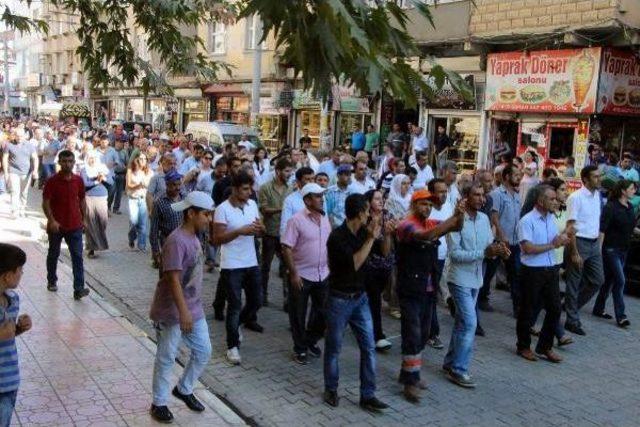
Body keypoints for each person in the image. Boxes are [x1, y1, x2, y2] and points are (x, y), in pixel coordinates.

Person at [149, 191, 214, 424]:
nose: (209, 219)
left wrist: (190, 309)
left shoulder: (195, 236)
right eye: (206, 214)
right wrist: (183, 311)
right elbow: (172, 279)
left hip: (192, 309)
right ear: (191, 213)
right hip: (172, 310)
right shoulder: (176, 241)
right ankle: (159, 402)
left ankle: (184, 389)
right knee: (167, 356)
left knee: (204, 350)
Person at [395, 188, 463, 402]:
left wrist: (458, 215)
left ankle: (409, 373)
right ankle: (410, 382)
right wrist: (452, 219)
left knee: (423, 335)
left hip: (428, 289)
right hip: (410, 289)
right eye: (423, 204)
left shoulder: (430, 223)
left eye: (430, 204)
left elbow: (456, 227)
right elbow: (427, 236)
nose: (428, 207)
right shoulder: (407, 225)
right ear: (414, 205)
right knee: (413, 335)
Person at [323, 194, 389, 412]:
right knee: (334, 348)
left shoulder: (364, 232)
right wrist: (371, 238)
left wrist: (384, 232)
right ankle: (331, 388)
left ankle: (368, 395)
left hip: (360, 298)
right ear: (360, 213)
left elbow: (385, 252)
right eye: (367, 211)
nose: (369, 214)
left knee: (369, 347)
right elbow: (355, 263)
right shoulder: (337, 237)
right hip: (339, 299)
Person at [444, 184, 508, 388]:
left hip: (476, 279)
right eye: (476, 195)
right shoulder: (456, 220)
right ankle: (459, 369)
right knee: (470, 323)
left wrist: (499, 250)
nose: (481, 199)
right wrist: (484, 254)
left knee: (462, 323)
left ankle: (450, 362)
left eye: (483, 195)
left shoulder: (483, 219)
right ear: (466, 197)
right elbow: (454, 254)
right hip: (459, 279)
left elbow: (488, 244)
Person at [212, 172, 265, 365]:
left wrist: (260, 229)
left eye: (250, 188)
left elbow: (260, 230)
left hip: (251, 262)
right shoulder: (222, 209)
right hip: (232, 265)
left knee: (257, 301)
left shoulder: (252, 205)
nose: (249, 192)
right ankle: (232, 346)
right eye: (245, 189)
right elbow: (217, 239)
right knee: (234, 306)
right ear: (234, 189)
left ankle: (237, 326)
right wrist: (239, 232)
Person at [516, 185, 568, 364]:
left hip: (550, 268)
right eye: (551, 199)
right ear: (540, 201)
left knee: (555, 308)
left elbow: (554, 242)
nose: (556, 202)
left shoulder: (550, 219)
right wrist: (553, 245)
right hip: (532, 271)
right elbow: (528, 248)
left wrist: (562, 239)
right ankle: (523, 346)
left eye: (556, 199)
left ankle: (544, 346)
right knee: (528, 310)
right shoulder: (527, 220)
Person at [281, 183, 331, 364]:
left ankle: (310, 340)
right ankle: (300, 348)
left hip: (323, 274)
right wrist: (293, 273)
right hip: (301, 274)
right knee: (298, 313)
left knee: (323, 312)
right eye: (317, 196)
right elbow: (286, 247)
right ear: (307, 200)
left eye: (321, 196)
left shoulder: (325, 218)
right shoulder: (296, 220)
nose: (321, 199)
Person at [42, 150, 90, 300]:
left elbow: (82, 200)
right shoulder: (52, 181)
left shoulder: (78, 180)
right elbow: (45, 203)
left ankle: (79, 288)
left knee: (77, 257)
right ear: (59, 162)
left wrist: (85, 219)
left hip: (75, 225)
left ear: (74, 162)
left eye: (70, 161)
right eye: (64, 161)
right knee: (53, 254)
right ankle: (51, 280)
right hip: (57, 226)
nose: (67, 164)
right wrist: (51, 220)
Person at [564, 165, 604, 336]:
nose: (599, 179)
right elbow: (570, 226)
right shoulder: (576, 197)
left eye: (599, 176)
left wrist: (599, 246)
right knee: (574, 281)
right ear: (585, 179)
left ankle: (570, 307)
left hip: (594, 243)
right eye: (595, 177)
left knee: (597, 280)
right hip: (579, 242)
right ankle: (572, 320)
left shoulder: (598, 196)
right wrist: (573, 252)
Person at [592, 179, 637, 328]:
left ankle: (598, 308)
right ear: (623, 191)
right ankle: (621, 316)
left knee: (609, 280)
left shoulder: (630, 207)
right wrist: (599, 249)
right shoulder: (611, 207)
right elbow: (602, 229)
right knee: (620, 281)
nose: (634, 191)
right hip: (611, 249)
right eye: (631, 189)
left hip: (624, 249)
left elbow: (631, 228)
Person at [0, 243, 32, 426]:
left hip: (9, 380)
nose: (22, 273)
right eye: (20, 269)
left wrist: (18, 328)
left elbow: (7, 335)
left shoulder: (12, 299)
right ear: (7, 275)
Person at [485, 165, 523, 315]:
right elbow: (494, 216)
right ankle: (482, 298)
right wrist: (501, 235)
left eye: (519, 175)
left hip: (514, 242)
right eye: (516, 175)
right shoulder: (497, 194)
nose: (519, 177)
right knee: (489, 271)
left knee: (516, 274)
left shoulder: (516, 195)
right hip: (499, 241)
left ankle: (518, 307)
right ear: (507, 176)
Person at [361, 190, 395, 352]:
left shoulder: (388, 216)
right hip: (368, 266)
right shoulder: (363, 218)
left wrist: (388, 234)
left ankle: (364, 325)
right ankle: (378, 335)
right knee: (374, 300)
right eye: (376, 199)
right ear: (368, 202)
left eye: (382, 199)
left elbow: (386, 251)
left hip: (385, 266)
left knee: (370, 300)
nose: (381, 201)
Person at [258, 158, 293, 306]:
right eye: (286, 171)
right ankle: (262, 295)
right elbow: (264, 209)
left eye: (290, 171)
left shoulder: (290, 189)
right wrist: (283, 209)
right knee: (265, 266)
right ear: (278, 171)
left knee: (287, 267)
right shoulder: (265, 187)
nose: (289, 174)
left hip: (286, 235)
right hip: (270, 233)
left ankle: (287, 299)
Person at [426, 178, 455, 347]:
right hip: (427, 257)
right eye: (440, 191)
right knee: (429, 295)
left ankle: (430, 330)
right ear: (431, 193)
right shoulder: (426, 209)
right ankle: (431, 332)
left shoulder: (448, 207)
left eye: (446, 191)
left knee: (431, 294)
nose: (444, 195)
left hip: (442, 257)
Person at [150, 170, 184, 274]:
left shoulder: (184, 199)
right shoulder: (159, 203)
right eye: (174, 185)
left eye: (179, 184)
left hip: (183, 244)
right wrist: (156, 252)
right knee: (166, 275)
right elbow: (154, 231)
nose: (177, 188)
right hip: (167, 244)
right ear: (167, 184)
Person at [80, 151, 111, 259]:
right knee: (91, 222)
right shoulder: (84, 170)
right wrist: (97, 181)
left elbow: (111, 182)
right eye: (90, 158)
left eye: (94, 158)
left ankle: (99, 244)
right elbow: (85, 183)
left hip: (102, 196)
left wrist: (104, 178)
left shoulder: (102, 168)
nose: (92, 160)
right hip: (89, 197)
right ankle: (91, 249)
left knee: (103, 221)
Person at [2, 129, 38, 218]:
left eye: (21, 136)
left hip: (26, 172)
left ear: (25, 136)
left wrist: (35, 170)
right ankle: (15, 211)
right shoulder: (9, 145)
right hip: (14, 171)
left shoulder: (30, 145)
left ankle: (22, 209)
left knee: (24, 192)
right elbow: (5, 158)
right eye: (18, 136)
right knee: (15, 191)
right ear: (15, 135)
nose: (19, 138)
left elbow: (35, 158)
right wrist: (6, 172)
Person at [126, 152, 154, 252]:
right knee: (133, 221)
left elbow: (151, 187)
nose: (142, 161)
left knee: (143, 224)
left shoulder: (150, 172)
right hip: (133, 199)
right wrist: (139, 185)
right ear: (137, 159)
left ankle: (141, 245)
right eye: (140, 159)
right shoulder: (131, 170)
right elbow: (128, 186)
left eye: (144, 159)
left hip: (144, 199)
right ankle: (131, 238)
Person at [111, 138, 129, 214]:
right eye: (118, 142)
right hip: (113, 174)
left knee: (119, 193)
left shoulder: (124, 152)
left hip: (121, 174)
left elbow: (127, 163)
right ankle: (108, 207)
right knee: (112, 191)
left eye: (121, 143)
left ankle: (116, 208)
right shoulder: (111, 151)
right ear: (115, 143)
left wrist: (126, 168)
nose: (120, 144)